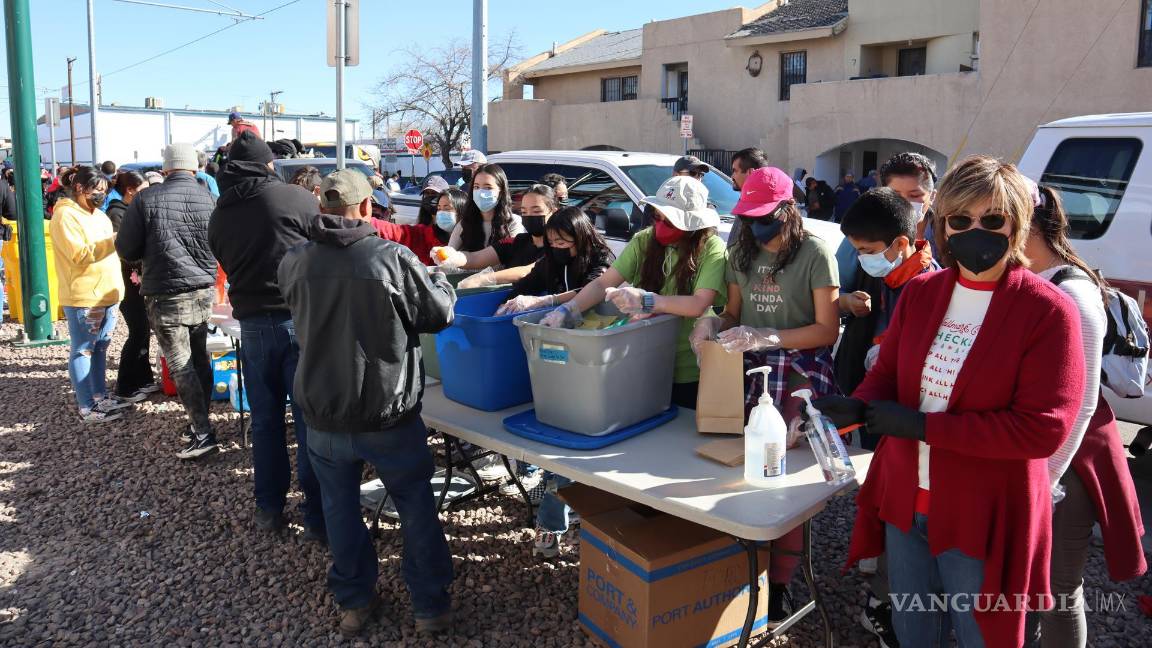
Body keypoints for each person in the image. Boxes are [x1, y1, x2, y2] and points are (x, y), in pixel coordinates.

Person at [821, 156, 1087, 647]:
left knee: (980, 634)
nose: (974, 231)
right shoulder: (923, 292)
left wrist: (924, 428)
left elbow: (1042, 429)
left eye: (992, 220)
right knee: (913, 629)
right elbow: (888, 374)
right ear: (942, 225)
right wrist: (857, 405)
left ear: (1017, 224)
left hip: (983, 511)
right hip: (908, 503)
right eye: (960, 220)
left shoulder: (1047, 311)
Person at [278, 169, 456, 638]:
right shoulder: (391, 258)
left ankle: (355, 601)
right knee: (415, 504)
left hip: (323, 408)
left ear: (322, 209)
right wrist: (443, 281)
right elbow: (439, 315)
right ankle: (429, 605)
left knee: (339, 507)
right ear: (365, 209)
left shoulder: (295, 260)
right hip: (387, 411)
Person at [689, 166, 841, 626]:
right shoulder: (741, 251)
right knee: (739, 471)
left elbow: (827, 329)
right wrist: (714, 324)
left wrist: (770, 337)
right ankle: (741, 574)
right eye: (749, 217)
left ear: (788, 209)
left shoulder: (816, 253)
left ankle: (780, 585)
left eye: (764, 216)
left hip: (799, 370)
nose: (757, 226)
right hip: (750, 369)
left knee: (784, 483)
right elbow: (734, 311)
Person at [1022, 183, 1147, 647]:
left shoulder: (1071, 289)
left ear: (1026, 223)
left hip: (1070, 460)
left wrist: (1046, 478)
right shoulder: (1032, 276)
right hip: (1043, 454)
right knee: (1030, 584)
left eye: (995, 219)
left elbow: (1083, 399)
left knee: (1057, 588)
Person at [834, 188, 939, 648]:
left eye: (869, 252)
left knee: (909, 527)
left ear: (901, 243)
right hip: (882, 413)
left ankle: (894, 609)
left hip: (912, 428)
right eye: (858, 252)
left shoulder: (926, 286)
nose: (864, 260)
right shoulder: (889, 275)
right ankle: (887, 597)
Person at [209, 132, 326, 538]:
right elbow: (325, 245)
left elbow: (222, 259)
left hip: (253, 324)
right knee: (311, 420)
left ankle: (269, 509)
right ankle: (316, 515)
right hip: (301, 319)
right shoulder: (294, 199)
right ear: (267, 165)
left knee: (265, 421)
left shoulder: (220, 212)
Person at [541, 175, 727, 410]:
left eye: (669, 220)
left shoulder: (712, 247)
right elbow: (602, 284)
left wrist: (647, 301)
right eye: (656, 216)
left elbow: (698, 304)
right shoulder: (644, 240)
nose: (659, 224)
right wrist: (569, 309)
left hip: (689, 365)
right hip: (643, 359)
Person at [495, 206, 614, 558]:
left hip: (590, 357)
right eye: (552, 241)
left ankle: (556, 518)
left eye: (564, 241)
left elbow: (594, 289)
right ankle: (553, 509)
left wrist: (549, 300)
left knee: (569, 448)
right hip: (551, 355)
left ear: (582, 236)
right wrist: (512, 296)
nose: (558, 247)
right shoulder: (551, 259)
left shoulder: (602, 259)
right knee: (553, 441)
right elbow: (528, 281)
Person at [116, 143, 219, 460]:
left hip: (165, 292)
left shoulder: (146, 198)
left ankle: (202, 433)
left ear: (166, 168)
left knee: (180, 363)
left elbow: (126, 248)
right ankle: (200, 420)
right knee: (199, 357)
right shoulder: (209, 199)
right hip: (203, 289)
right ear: (194, 168)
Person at [50, 165, 130, 423]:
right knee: (83, 349)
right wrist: (115, 241)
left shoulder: (99, 215)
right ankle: (87, 405)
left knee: (101, 347)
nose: (101, 195)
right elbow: (80, 254)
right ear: (79, 188)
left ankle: (100, 395)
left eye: (104, 191)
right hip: (84, 295)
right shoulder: (65, 216)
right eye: (96, 190)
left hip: (108, 292)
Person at [837, 152, 941, 302]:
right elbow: (834, 290)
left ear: (932, 196)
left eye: (914, 195)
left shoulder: (946, 237)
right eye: (896, 195)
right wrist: (847, 302)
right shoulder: (862, 237)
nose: (904, 202)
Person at [433, 184, 556, 287]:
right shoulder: (515, 242)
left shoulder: (559, 245)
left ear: (554, 212)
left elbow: (529, 270)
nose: (529, 216)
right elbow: (475, 258)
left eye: (536, 211)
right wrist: (453, 256)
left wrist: (483, 279)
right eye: (524, 211)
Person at [106, 171, 158, 402]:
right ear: (130, 190)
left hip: (139, 280)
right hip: (127, 281)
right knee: (137, 330)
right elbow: (124, 250)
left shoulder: (130, 211)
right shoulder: (116, 213)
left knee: (144, 329)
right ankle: (125, 385)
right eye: (142, 190)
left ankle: (144, 378)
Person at [372, 186, 463, 266]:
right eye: (439, 208)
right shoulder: (423, 234)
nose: (441, 213)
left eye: (447, 209)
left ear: (461, 211)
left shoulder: (472, 243)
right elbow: (393, 231)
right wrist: (367, 220)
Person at [445, 163, 524, 252]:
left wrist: (464, 258)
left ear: (501, 192)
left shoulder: (513, 222)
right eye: (476, 187)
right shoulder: (465, 224)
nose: (481, 193)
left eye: (488, 188)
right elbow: (449, 253)